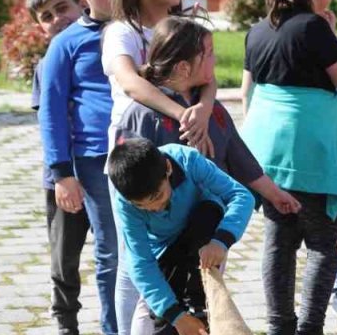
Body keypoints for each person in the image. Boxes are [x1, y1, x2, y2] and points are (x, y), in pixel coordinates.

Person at [102, 0, 216, 335]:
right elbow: (132, 83)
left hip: (180, 151)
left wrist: (202, 110)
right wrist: (183, 113)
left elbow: (207, 76)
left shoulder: (189, 20)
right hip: (137, 149)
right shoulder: (121, 32)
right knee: (135, 261)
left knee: (174, 257)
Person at [241, 0, 337, 335]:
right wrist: (327, 31)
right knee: (325, 242)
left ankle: (278, 330)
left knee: (279, 240)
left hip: (265, 151)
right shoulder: (313, 27)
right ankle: (309, 333)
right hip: (307, 150)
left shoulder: (257, 30)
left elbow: (246, 92)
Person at [107, 139, 253, 335]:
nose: (155, 207)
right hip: (162, 248)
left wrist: (221, 240)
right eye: (144, 206)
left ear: (168, 169)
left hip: (204, 231)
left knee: (206, 307)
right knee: (162, 316)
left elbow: (240, 195)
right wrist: (175, 315)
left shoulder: (186, 160)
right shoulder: (125, 198)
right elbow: (140, 263)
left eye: (158, 196)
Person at [115, 17, 301, 214]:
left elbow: (240, 160)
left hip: (213, 226)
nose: (216, 59)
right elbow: (127, 185)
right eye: (209, 53)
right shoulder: (142, 116)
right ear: (184, 68)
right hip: (164, 232)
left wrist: (274, 194)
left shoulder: (213, 109)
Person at [29, 0, 103, 335]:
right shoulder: (48, 63)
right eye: (46, 17)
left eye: (62, 9)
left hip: (104, 168)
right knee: (64, 258)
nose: (57, 19)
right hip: (62, 175)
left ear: (80, 3)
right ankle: (67, 332)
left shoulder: (102, 48)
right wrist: (61, 174)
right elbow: (49, 120)